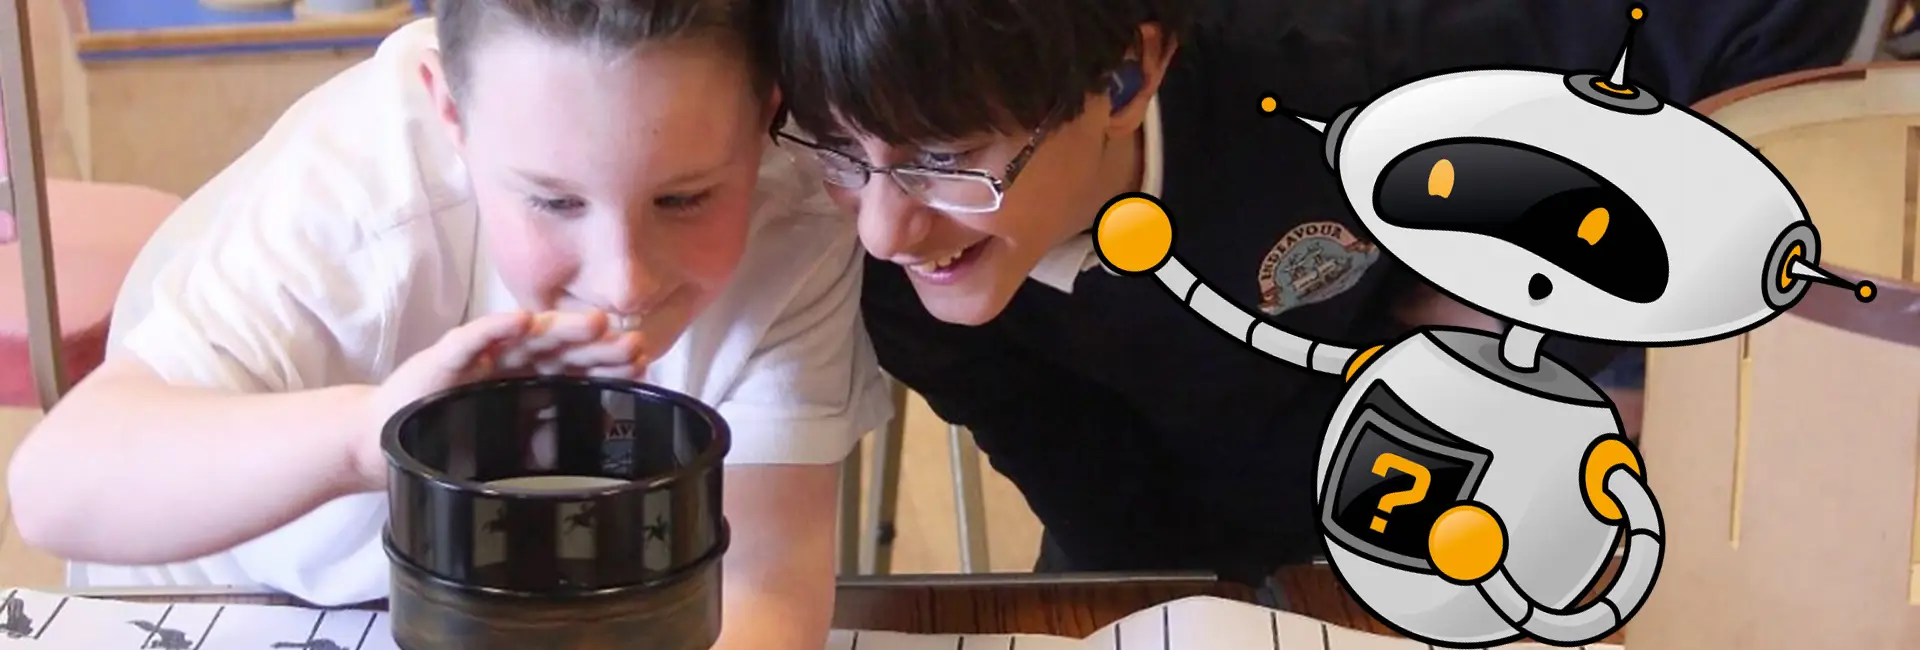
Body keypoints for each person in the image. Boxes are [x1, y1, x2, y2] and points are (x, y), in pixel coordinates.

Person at [769, 0, 1867, 587]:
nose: (882, 222)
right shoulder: (918, 286)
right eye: (840, 153)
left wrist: (1573, 329)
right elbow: (1124, 529)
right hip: (1216, 529)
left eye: (947, 158)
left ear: (1123, 75)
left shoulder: (1331, 81)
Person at [6, 1, 890, 648]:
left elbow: (764, 582)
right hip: (240, 599)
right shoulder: (356, 197)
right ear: (451, 115)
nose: (626, 282)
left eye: (686, 197)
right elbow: (57, 487)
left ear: (769, 110)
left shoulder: (802, 215)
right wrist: (368, 432)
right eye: (552, 199)